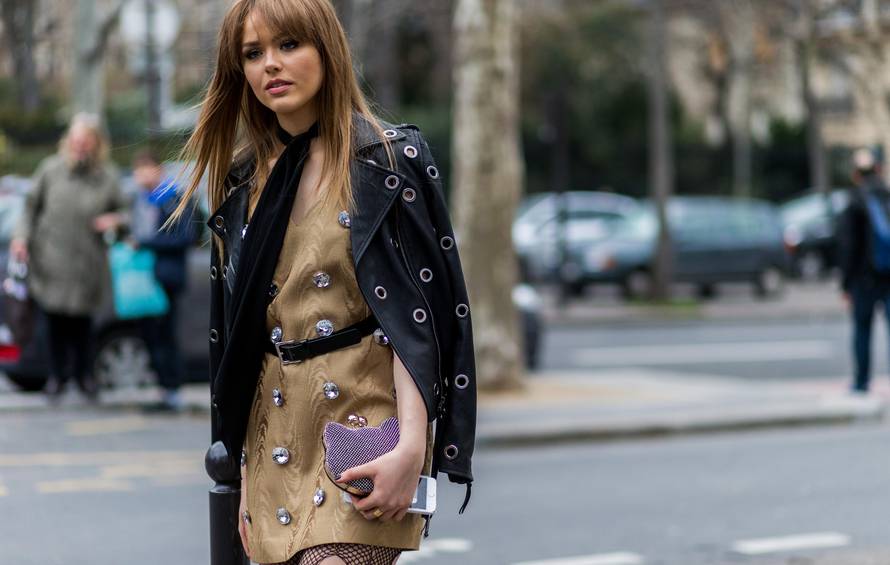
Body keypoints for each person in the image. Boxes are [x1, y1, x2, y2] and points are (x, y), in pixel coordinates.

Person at [171, 1, 477, 564]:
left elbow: (418, 319)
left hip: (363, 425)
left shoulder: (388, 159)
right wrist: (241, 470)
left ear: (326, 51)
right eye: (253, 53)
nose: (271, 66)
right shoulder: (241, 183)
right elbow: (237, 343)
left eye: (289, 45)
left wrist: (413, 446)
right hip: (275, 437)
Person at [10, 113, 127, 402]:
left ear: (96, 144)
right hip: (50, 261)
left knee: (83, 325)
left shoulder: (107, 175)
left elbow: (126, 213)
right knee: (53, 324)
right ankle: (57, 377)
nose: (80, 147)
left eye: (86, 141)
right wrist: (20, 238)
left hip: (87, 264)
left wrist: (115, 221)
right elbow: (29, 209)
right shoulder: (50, 170)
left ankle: (84, 377)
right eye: (75, 141)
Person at [130, 150, 196, 412]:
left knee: (165, 334)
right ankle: (162, 388)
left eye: (147, 169)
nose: (142, 176)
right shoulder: (141, 201)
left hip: (166, 276)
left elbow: (185, 237)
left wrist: (146, 243)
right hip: (144, 278)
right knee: (150, 335)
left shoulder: (174, 199)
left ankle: (172, 389)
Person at [838, 148, 890, 393]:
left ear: (856, 174)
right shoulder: (887, 197)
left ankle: (861, 382)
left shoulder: (853, 202)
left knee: (862, 330)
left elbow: (847, 247)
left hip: (863, 278)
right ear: (878, 170)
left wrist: (845, 284)